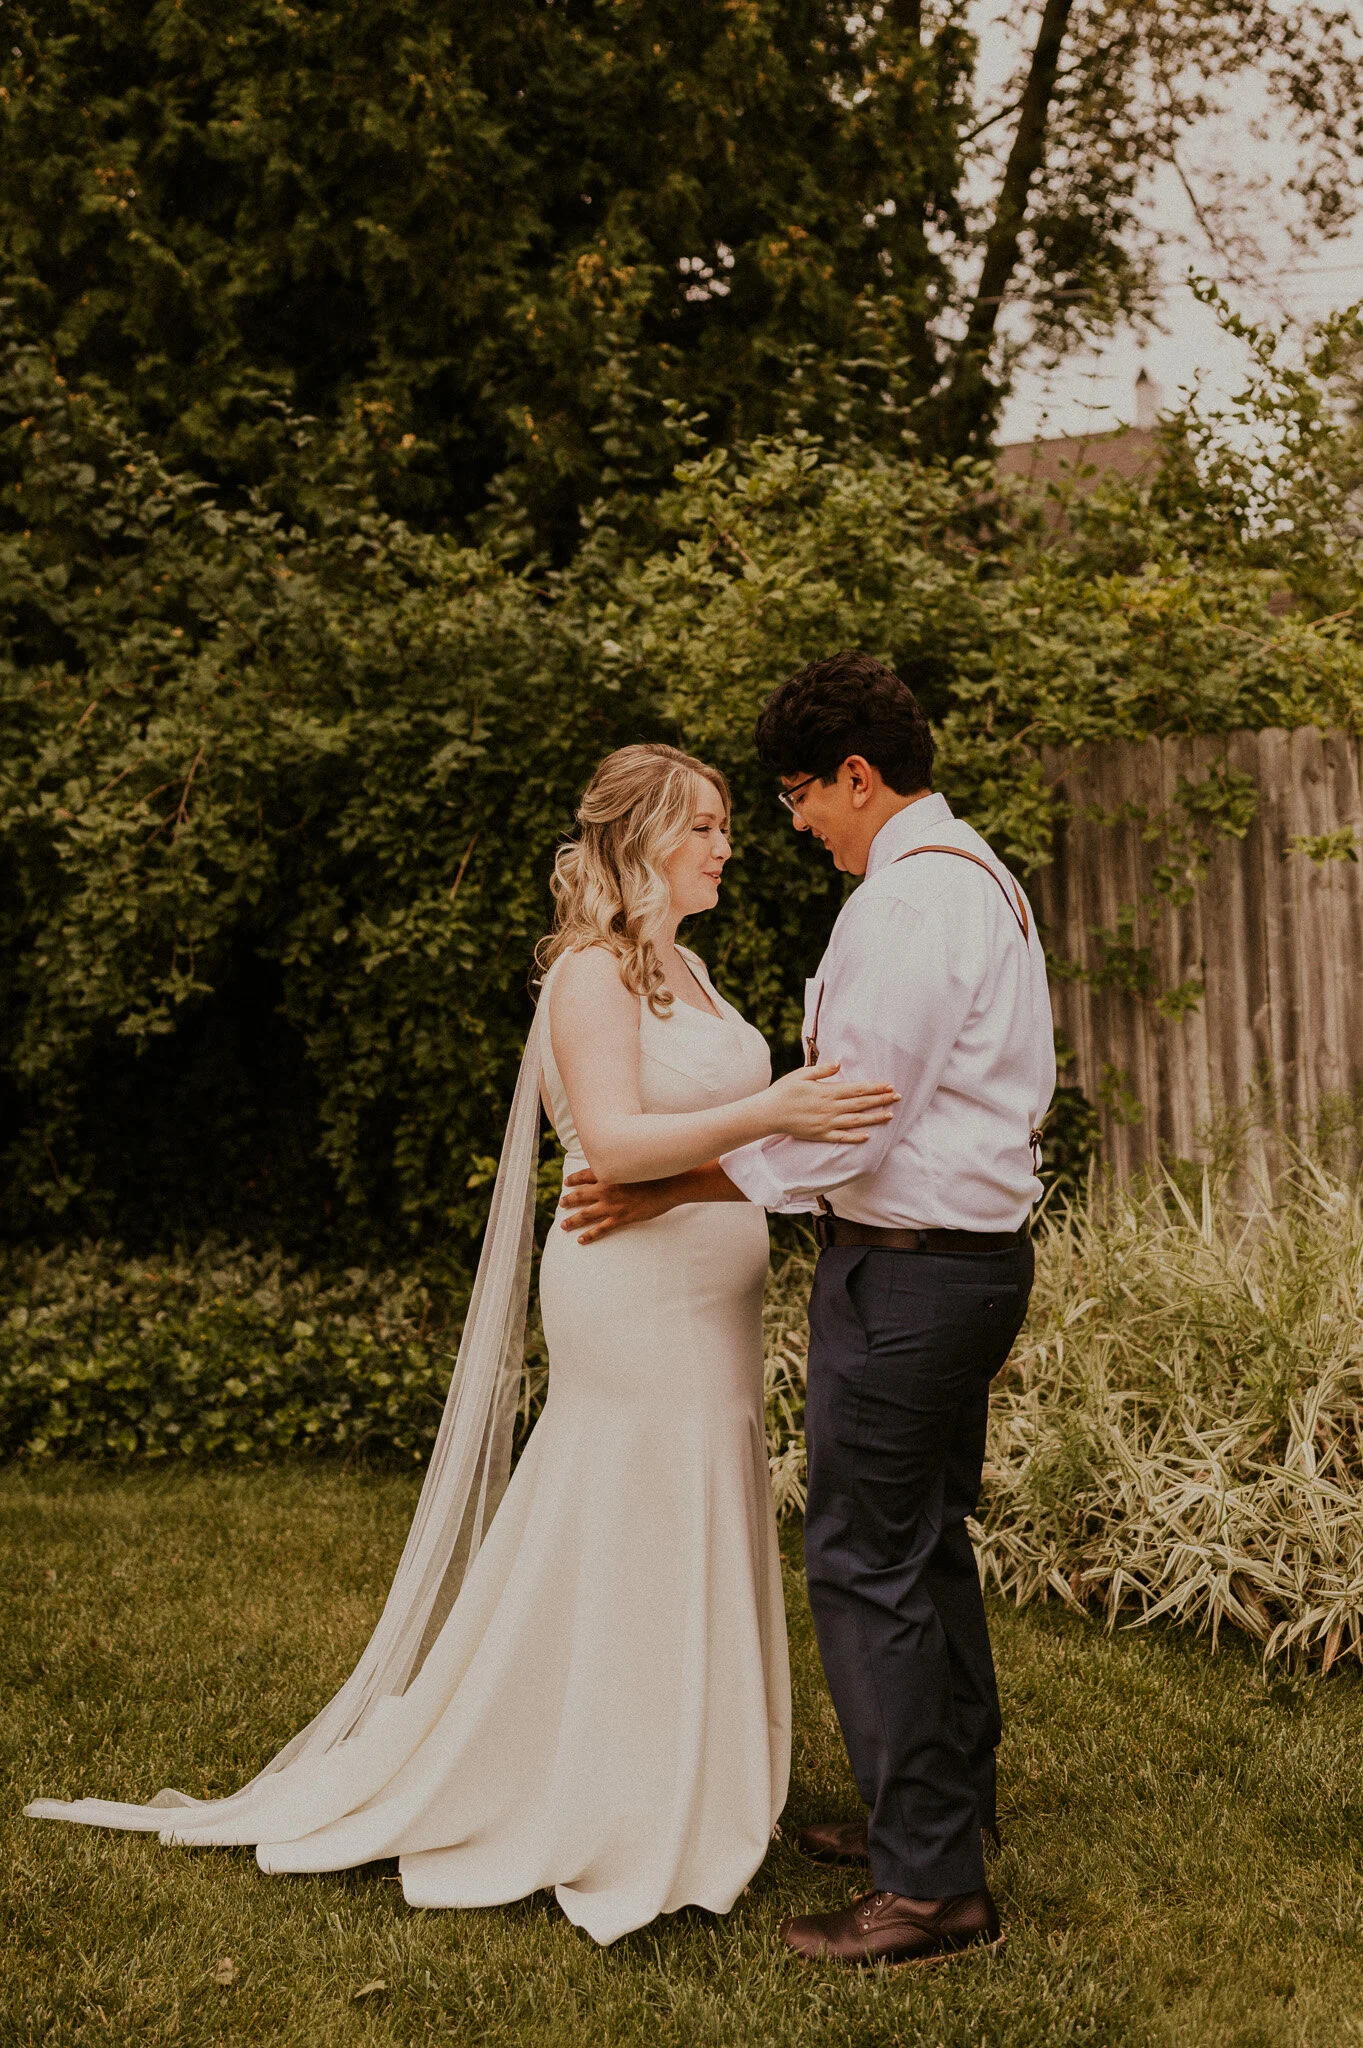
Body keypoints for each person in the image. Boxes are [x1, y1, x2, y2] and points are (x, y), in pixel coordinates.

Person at [26, 742, 898, 1948]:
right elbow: (614, 1139)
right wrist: (780, 1103)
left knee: (692, 1504)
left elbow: (702, 1149)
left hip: (710, 1301)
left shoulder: (689, 971)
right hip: (630, 1294)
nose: (724, 844)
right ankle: (592, 1776)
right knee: (625, 1507)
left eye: (726, 825)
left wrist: (768, 1132)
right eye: (702, 825)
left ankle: (685, 1762)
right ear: (639, 837)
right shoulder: (587, 975)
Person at [560, 656, 1056, 1966]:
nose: (791, 824)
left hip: (907, 1272)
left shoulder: (904, 906)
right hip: (962, 1262)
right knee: (920, 1542)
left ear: (854, 775)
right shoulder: (976, 878)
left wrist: (674, 1177)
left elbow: (844, 1124)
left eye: (795, 795)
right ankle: (943, 1810)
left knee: (861, 1557)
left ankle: (930, 1890)